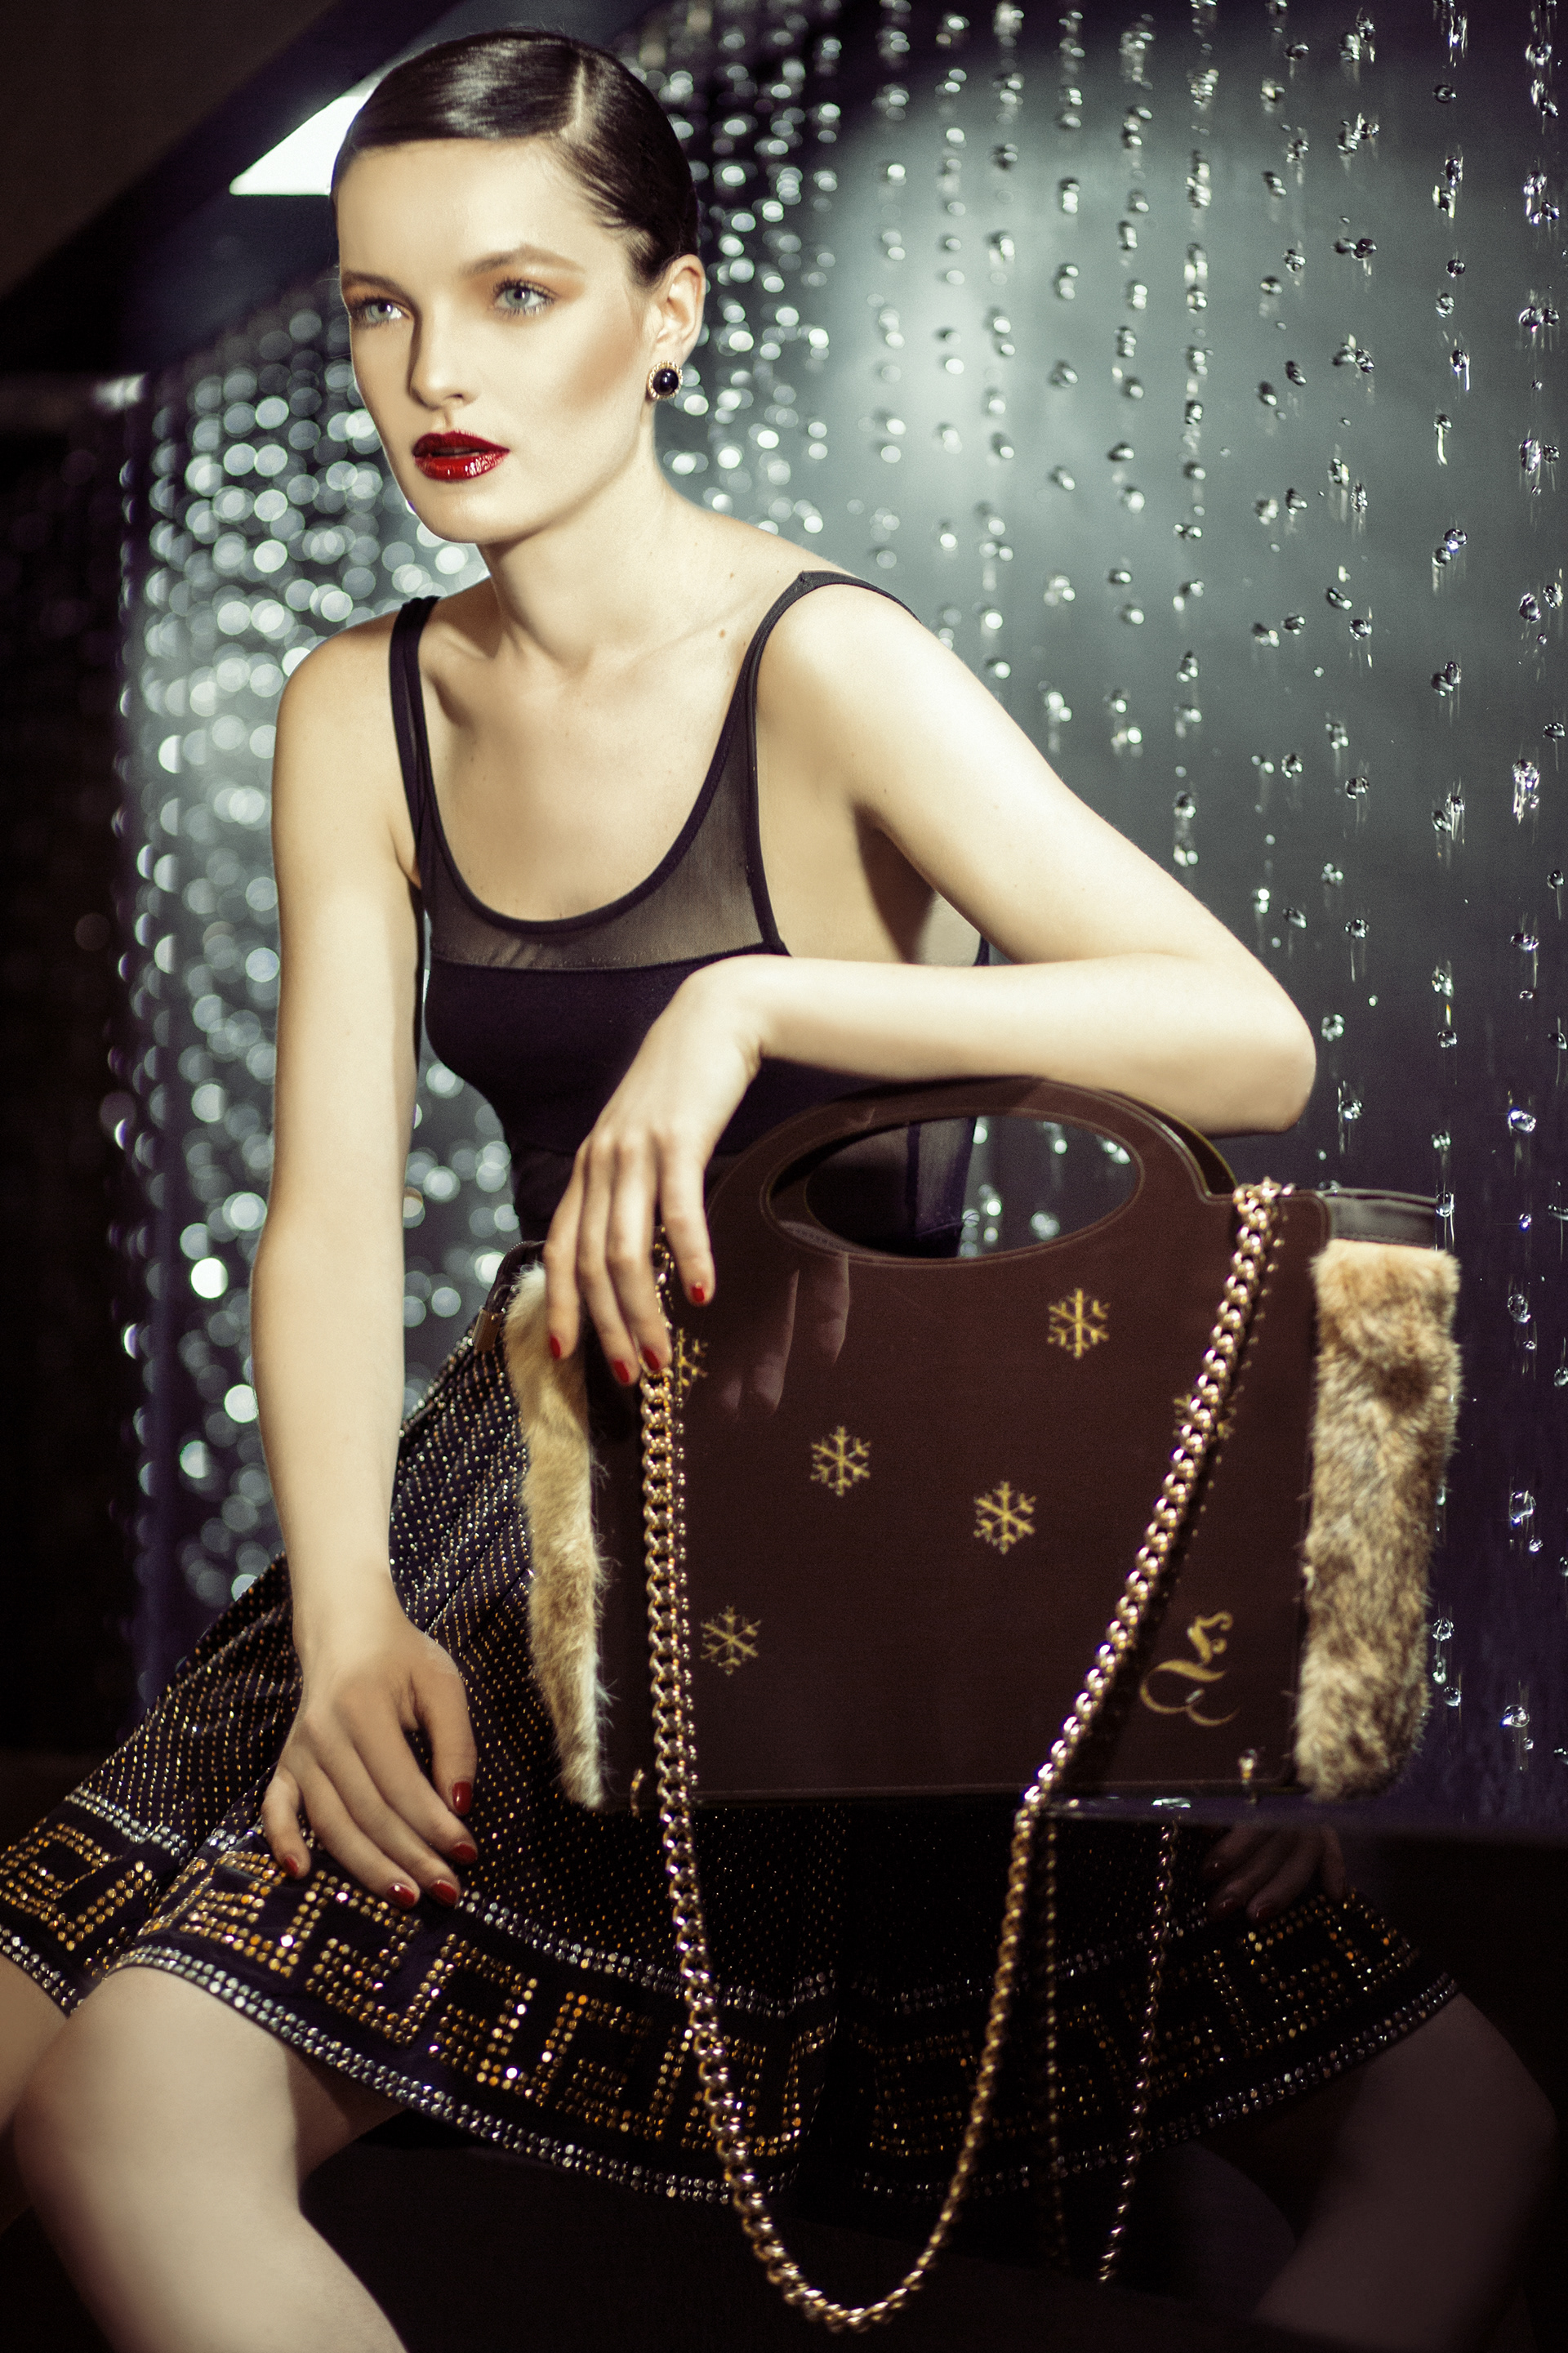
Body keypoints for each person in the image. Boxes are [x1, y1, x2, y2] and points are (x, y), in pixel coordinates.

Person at [0, 29, 1552, 2353]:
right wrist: (342, 1622)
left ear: (674, 313)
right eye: (381, 307)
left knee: (1450, 2126)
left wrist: (751, 1000)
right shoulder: (364, 705)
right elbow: (324, 1215)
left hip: (844, 1515)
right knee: (44, 2054)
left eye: (517, 294)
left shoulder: (828, 663)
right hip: (505, 1493)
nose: (435, 373)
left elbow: (1247, 1036)